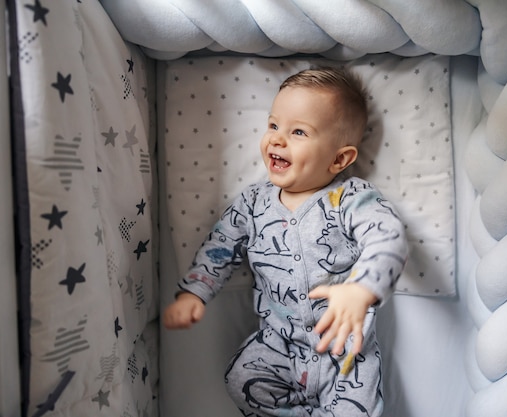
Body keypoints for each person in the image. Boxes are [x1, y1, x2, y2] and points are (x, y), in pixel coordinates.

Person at [163, 67, 409, 416]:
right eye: (273, 125)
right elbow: (221, 246)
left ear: (340, 159)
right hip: (279, 345)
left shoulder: (350, 198)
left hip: (345, 352)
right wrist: (195, 290)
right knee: (241, 378)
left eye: (298, 132)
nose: (276, 139)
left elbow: (388, 237)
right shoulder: (253, 203)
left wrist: (361, 290)